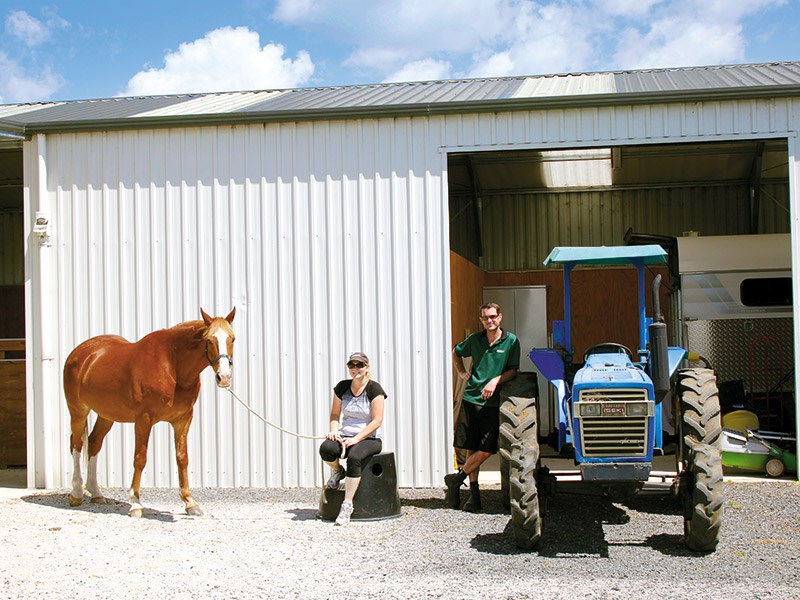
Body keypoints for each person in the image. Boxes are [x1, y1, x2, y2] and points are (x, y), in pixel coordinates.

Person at [447, 302, 520, 511]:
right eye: (485, 318)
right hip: (471, 399)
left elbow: (513, 371)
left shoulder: (511, 341)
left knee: (487, 449)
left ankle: (456, 479)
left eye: (493, 317)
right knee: (471, 446)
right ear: (481, 320)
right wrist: (461, 372)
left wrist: (495, 380)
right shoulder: (475, 340)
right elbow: (456, 352)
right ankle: (474, 496)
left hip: (493, 402)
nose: (489, 321)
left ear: (500, 317)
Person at [319, 352, 387, 526]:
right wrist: (334, 431)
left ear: (367, 368)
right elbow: (335, 415)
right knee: (326, 449)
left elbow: (377, 421)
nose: (355, 369)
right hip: (345, 436)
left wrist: (357, 438)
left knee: (355, 457)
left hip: (369, 438)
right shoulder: (342, 387)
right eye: (352, 365)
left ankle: (347, 505)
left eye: (360, 365)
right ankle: (337, 471)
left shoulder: (375, 389)